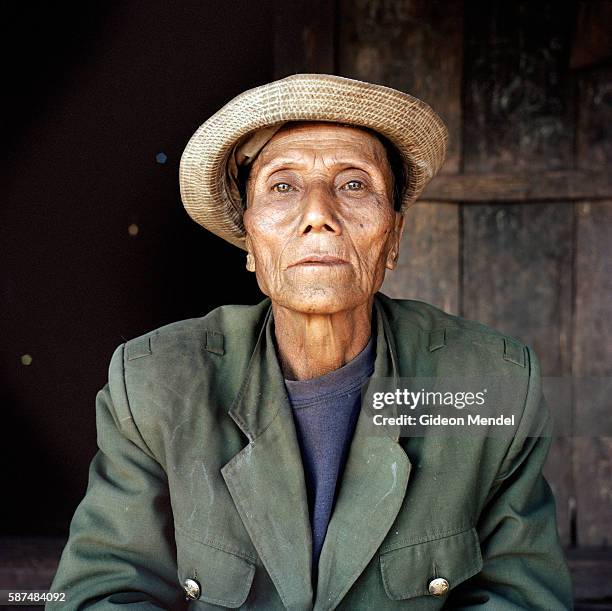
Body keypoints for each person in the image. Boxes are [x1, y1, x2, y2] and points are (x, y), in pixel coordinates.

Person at [48, 74, 573, 610]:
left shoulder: (490, 384)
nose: (319, 214)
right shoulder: (156, 383)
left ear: (392, 237)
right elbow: (102, 593)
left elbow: (522, 597)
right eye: (283, 186)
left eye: (353, 185)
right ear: (249, 240)